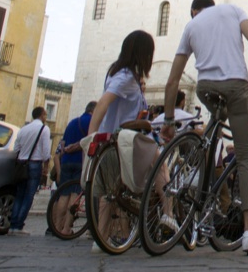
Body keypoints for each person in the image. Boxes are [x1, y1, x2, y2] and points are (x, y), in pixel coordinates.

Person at [161, 0, 248, 256]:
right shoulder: (233, 10)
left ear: (194, 10)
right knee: (245, 155)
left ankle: (207, 148)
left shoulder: (192, 25)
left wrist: (168, 120)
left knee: (216, 122)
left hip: (206, 88)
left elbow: (172, 80)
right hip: (236, 86)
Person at [86, 29, 154, 252]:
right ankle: (168, 214)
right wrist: (92, 135)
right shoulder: (125, 76)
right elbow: (103, 102)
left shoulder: (122, 74)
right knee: (113, 191)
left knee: (111, 193)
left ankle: (102, 237)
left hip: (115, 142)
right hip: (119, 143)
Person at [52, 101, 96, 235]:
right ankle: (66, 228)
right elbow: (90, 140)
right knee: (75, 195)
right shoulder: (91, 122)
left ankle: (57, 227)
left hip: (65, 162)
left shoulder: (72, 122)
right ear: (94, 111)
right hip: (79, 162)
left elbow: (63, 143)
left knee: (63, 195)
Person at [9, 106, 51, 236]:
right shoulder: (44, 129)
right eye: (45, 114)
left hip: (21, 164)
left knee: (19, 195)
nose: (46, 117)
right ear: (42, 115)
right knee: (29, 196)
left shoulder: (23, 129)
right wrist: (45, 167)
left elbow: (16, 149)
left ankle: (12, 225)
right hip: (35, 164)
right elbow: (45, 152)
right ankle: (18, 226)